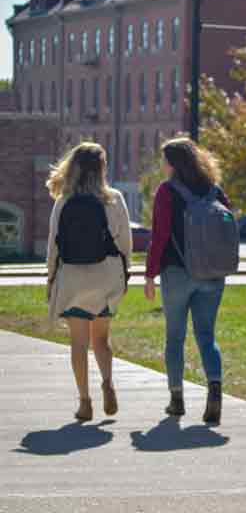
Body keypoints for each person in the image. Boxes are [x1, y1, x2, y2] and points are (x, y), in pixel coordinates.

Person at [144, 137, 232, 424]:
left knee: (175, 337)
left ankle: (177, 399)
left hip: (177, 272)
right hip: (212, 274)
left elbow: (159, 235)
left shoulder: (168, 192)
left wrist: (149, 274)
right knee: (206, 336)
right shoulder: (214, 190)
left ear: (171, 163)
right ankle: (215, 392)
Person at [46, 142, 132, 421]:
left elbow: (53, 246)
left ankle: (85, 401)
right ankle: (107, 382)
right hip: (105, 277)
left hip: (73, 280)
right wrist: (124, 274)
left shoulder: (64, 201)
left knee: (78, 343)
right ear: (102, 168)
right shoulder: (115, 198)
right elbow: (125, 242)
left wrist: (50, 279)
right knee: (102, 339)